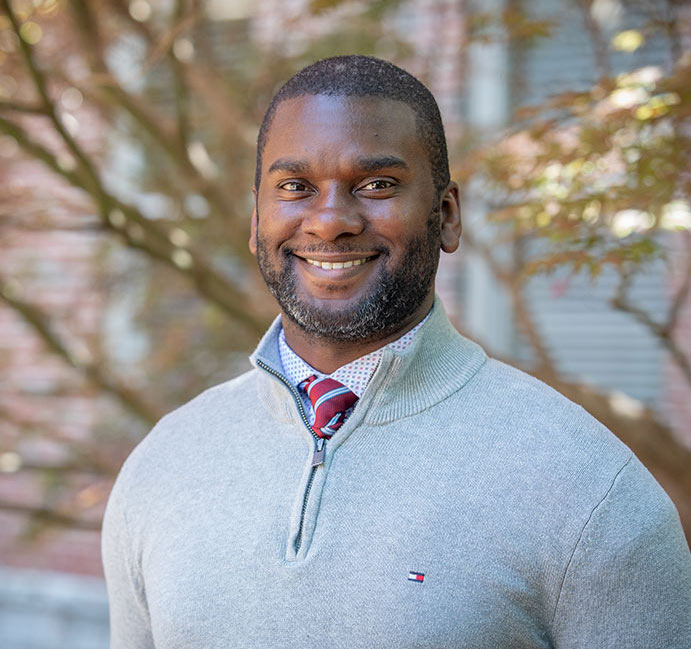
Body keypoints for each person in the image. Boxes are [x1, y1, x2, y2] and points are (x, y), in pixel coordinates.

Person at [102, 55, 691, 648]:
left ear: (447, 216)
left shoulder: (590, 492)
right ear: (257, 220)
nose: (330, 221)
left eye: (377, 185)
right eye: (295, 187)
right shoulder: (163, 463)